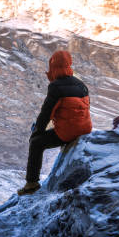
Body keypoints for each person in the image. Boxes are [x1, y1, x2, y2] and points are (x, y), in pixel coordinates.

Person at [18, 49, 92, 195]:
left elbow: (46, 114)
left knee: (36, 142)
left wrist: (37, 131)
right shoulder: (81, 84)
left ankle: (31, 184)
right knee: (60, 130)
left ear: (53, 67)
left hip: (69, 131)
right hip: (85, 128)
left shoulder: (56, 86)